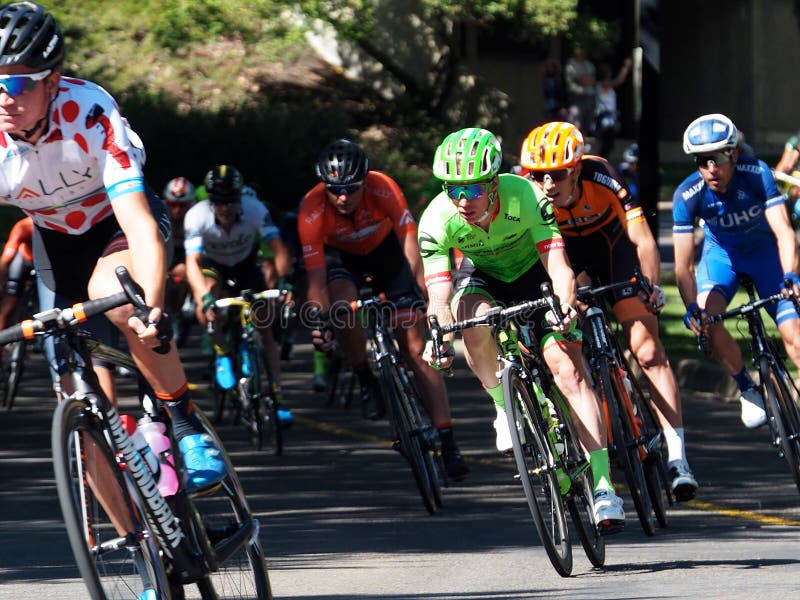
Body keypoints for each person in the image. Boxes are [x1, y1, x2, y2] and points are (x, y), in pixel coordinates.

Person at [0, 1, 225, 493]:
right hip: (56, 245)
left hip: (117, 225)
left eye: (16, 82)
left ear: (52, 81)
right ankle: (136, 539)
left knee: (121, 300)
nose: (4, 96)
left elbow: (139, 224)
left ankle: (182, 423)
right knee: (77, 399)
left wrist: (153, 306)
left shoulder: (91, 112)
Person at [418, 127, 625, 530]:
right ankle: (503, 406)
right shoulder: (437, 218)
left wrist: (564, 307)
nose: (462, 201)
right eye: (452, 188)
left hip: (536, 274)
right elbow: (440, 295)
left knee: (567, 370)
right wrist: (438, 333)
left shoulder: (526, 196)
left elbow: (559, 265)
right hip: (484, 276)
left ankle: (603, 486)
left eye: (473, 189)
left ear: (494, 183)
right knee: (472, 322)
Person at [520, 121, 698, 501]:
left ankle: (678, 457)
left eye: (556, 175)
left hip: (613, 250)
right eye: (538, 175)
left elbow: (643, 239)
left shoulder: (602, 177)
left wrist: (649, 286)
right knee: (568, 356)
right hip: (567, 261)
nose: (546, 184)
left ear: (576, 169)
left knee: (647, 351)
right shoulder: (528, 194)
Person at [297, 138, 469, 481]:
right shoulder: (312, 208)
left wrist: (419, 289)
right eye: (334, 189)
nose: (342, 197)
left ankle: (448, 440)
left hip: (387, 254)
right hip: (341, 261)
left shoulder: (383, 187)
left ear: (364, 181)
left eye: (350, 188)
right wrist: (321, 318)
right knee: (341, 307)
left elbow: (409, 237)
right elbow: (316, 276)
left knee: (417, 353)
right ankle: (364, 375)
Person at [673, 113, 800, 430]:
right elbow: (683, 265)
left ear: (734, 154)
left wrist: (791, 275)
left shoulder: (757, 174)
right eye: (702, 161)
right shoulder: (687, 195)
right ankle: (746, 386)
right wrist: (691, 308)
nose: (711, 170)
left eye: (717, 159)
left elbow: (784, 232)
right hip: (722, 258)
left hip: (764, 255)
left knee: (793, 335)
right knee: (707, 323)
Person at [183, 164, 294, 424]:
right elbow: (192, 263)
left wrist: (284, 282)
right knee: (208, 298)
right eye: (219, 202)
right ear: (210, 200)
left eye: (230, 201)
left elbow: (278, 249)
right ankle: (221, 351)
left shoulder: (255, 209)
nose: (225, 208)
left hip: (245, 266)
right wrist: (204, 297)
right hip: (214, 267)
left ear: (240, 198)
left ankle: (278, 395)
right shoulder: (197, 216)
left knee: (265, 324)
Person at [162, 176, 195, 343]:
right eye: (172, 204)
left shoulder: (196, 214)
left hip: (189, 253)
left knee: (186, 272)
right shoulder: (160, 211)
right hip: (167, 252)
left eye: (182, 205)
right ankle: (170, 314)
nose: (177, 210)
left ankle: (190, 300)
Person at [0, 215, 34, 331]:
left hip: (45, 262)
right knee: (10, 299)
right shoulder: (24, 226)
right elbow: (6, 258)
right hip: (25, 259)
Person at [593, 59, 631, 158]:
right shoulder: (601, 85)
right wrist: (625, 67)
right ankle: (602, 161)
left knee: (609, 144)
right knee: (606, 144)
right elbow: (619, 80)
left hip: (611, 118)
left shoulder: (606, 86)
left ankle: (604, 161)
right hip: (604, 119)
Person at [564, 46, 596, 131]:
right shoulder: (571, 64)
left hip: (589, 96)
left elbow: (592, 80)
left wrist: (583, 79)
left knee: (589, 124)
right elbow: (579, 80)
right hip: (576, 96)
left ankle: (583, 143)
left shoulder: (589, 64)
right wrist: (583, 79)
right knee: (575, 124)